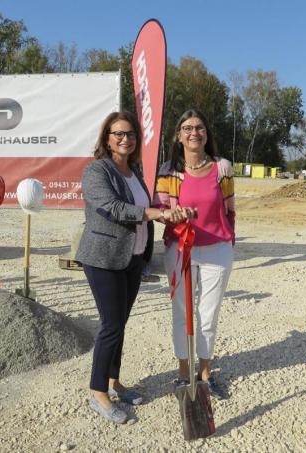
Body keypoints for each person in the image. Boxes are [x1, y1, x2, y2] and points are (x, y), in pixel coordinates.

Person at [76, 111, 191, 424]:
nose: (125, 139)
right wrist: (155, 213)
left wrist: (168, 212)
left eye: (130, 134)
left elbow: (145, 206)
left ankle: (114, 381)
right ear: (107, 138)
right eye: (118, 134)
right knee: (111, 324)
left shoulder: (134, 170)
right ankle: (98, 392)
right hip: (103, 258)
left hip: (132, 257)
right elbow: (113, 208)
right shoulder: (97, 170)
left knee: (120, 323)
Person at [154, 109, 235, 400]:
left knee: (208, 314)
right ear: (178, 136)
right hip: (180, 249)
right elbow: (159, 211)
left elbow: (230, 209)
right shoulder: (167, 170)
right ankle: (182, 373)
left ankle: (205, 376)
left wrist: (230, 240)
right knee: (182, 312)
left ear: (206, 134)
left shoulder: (222, 167)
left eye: (199, 127)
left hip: (217, 251)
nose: (194, 132)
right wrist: (172, 214)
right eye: (187, 127)